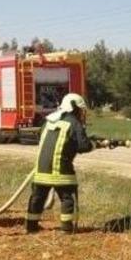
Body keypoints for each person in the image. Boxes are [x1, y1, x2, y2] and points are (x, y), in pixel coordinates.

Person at [25, 92, 105, 234]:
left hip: (41, 171)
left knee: (37, 198)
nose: (82, 113)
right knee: (68, 197)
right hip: (61, 171)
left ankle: (31, 227)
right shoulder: (73, 122)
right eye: (80, 110)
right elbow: (83, 146)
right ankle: (67, 228)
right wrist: (95, 144)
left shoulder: (48, 121)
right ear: (74, 108)